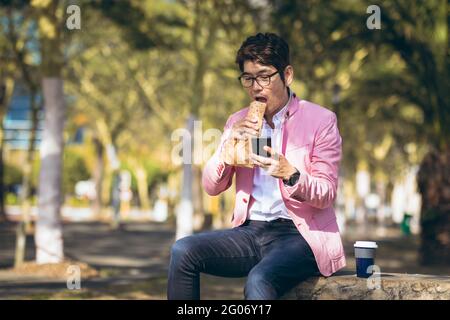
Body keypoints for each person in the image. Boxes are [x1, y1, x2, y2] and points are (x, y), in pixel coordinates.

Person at [167, 32, 346, 300]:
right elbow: (211, 187)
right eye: (248, 78)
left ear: (287, 75)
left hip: (300, 236)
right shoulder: (237, 121)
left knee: (259, 279)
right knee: (183, 251)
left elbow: (327, 192)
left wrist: (291, 174)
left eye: (264, 76)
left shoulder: (321, 120)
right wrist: (227, 150)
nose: (255, 87)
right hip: (250, 232)